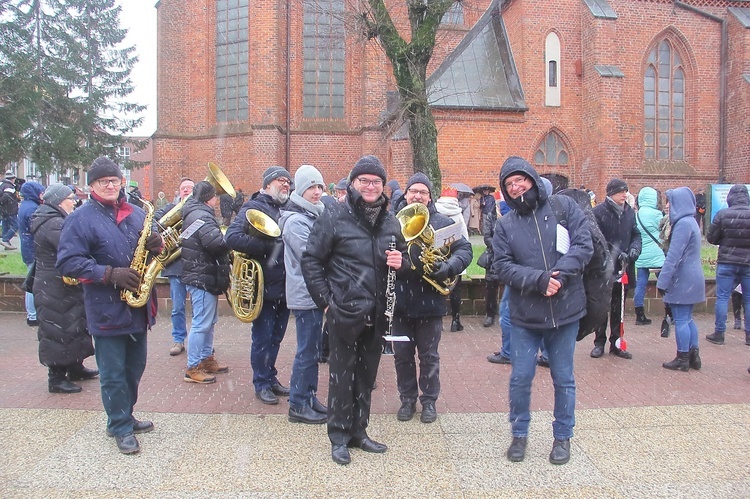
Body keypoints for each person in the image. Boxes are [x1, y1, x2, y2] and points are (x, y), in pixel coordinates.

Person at [301, 155, 405, 465]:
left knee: (366, 376)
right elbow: (311, 260)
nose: (371, 186)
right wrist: (326, 302)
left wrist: (404, 262)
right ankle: (339, 436)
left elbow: (403, 260)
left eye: (376, 182)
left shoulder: (390, 221)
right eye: (365, 181)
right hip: (343, 312)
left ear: (382, 186)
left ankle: (359, 431)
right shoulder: (335, 217)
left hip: (377, 314)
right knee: (341, 376)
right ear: (353, 184)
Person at [57, 157, 161, 454]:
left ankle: (125, 414)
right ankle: (118, 425)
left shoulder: (137, 214)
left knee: (134, 368)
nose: (111, 185)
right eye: (104, 181)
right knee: (113, 372)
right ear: (92, 186)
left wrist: (155, 247)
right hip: (106, 307)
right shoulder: (80, 218)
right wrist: (109, 273)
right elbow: (67, 262)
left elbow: (147, 254)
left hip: (136, 307)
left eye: (115, 180)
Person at [492, 156, 592, 465]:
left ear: (532, 178)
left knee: (563, 378)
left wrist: (557, 276)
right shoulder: (505, 224)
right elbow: (503, 266)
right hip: (525, 316)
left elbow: (583, 245)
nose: (515, 186)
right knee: (521, 377)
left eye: (519, 179)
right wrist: (539, 280)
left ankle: (562, 437)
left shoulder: (564, 208)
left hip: (564, 312)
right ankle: (519, 434)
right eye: (509, 184)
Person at [392, 173, 472, 424]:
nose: (417, 195)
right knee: (402, 355)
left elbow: (465, 250)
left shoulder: (444, 222)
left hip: (430, 302)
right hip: (400, 302)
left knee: (429, 356)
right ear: (405, 194)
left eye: (423, 192)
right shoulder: (393, 223)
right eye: (413, 191)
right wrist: (401, 264)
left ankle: (429, 401)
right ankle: (407, 399)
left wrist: (449, 266)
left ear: (430, 196)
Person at [225, 166, 292, 405]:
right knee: (263, 338)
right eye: (280, 180)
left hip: (285, 286)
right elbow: (231, 238)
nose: (285, 184)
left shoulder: (287, 208)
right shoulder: (252, 207)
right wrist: (268, 247)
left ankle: (270, 377)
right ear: (266, 184)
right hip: (264, 287)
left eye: (288, 181)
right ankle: (261, 383)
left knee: (276, 338)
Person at [31, 183, 98, 393]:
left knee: (74, 325)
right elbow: (71, 246)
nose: (74, 202)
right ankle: (56, 377)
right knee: (56, 329)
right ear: (59, 201)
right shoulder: (53, 223)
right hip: (53, 286)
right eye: (71, 198)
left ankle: (75, 366)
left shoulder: (56, 219)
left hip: (62, 284)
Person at [279, 165, 328, 424]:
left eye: (319, 186)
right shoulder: (296, 221)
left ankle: (309, 397)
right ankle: (298, 404)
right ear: (300, 189)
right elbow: (312, 255)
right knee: (307, 350)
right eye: (311, 187)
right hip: (305, 292)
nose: (317, 192)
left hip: (314, 293)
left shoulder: (314, 216)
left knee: (313, 348)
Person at [181, 181, 231, 383]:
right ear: (209, 198)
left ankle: (206, 359)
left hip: (201, 275)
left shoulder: (194, 214)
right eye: (215, 196)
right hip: (202, 276)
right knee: (202, 323)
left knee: (208, 322)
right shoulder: (202, 216)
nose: (217, 199)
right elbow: (215, 243)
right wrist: (232, 236)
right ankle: (193, 367)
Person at [590, 178, 641, 360]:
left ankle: (617, 343)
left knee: (619, 308)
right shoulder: (598, 212)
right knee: (602, 307)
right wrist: (615, 252)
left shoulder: (629, 212)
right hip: (605, 269)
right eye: (621, 191)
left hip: (625, 268)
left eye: (626, 191)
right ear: (611, 193)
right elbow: (597, 239)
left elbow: (636, 234)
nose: (624, 194)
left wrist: (635, 249)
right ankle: (599, 342)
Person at [657, 187, 705, 371]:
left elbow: (673, 256)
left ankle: (682, 357)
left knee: (681, 319)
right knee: (688, 318)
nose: (667, 206)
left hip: (683, 278)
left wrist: (663, 281)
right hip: (693, 276)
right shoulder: (691, 221)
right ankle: (694, 355)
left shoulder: (682, 225)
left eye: (670, 202)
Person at [705, 184, 750, 346]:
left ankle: (719, 333)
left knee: (722, 297)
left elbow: (711, 238)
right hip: (748, 263)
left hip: (727, 261)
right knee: (749, 299)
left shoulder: (723, 214)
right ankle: (749, 336)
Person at [156, 178, 195, 356]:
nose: (186, 190)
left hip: (195, 265)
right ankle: (178, 340)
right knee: (177, 306)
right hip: (175, 265)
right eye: (183, 188)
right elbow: (153, 223)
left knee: (199, 308)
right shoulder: (168, 210)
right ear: (178, 192)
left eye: (190, 188)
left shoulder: (198, 210)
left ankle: (198, 339)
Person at [434, 187, 470, 332]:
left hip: (438, 257)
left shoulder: (436, 212)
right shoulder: (458, 214)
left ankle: (439, 320)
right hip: (454, 258)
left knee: (439, 289)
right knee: (456, 290)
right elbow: (464, 237)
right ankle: (455, 320)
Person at [633, 187, 666, 326]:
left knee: (640, 285)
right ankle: (670, 312)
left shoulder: (636, 215)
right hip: (657, 255)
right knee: (664, 284)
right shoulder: (658, 214)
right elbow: (664, 232)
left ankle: (639, 316)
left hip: (642, 254)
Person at [18, 181, 44, 326]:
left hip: (28, 249)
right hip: (32, 250)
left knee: (31, 282)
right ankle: (33, 315)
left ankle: (32, 314)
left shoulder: (26, 206)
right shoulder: (32, 209)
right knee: (32, 283)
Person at [482, 188, 500, 328]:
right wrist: (498, 247)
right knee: (490, 286)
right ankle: (490, 314)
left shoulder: (514, 216)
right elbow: (487, 236)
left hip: (509, 256)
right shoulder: (490, 216)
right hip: (494, 256)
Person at [0, 171, 19, 250]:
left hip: (4, 210)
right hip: (10, 210)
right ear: (13, 179)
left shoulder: (2, 185)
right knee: (16, 225)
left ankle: (6, 244)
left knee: (5, 226)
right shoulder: (9, 187)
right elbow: (6, 197)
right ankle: (6, 240)